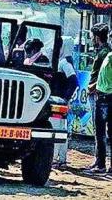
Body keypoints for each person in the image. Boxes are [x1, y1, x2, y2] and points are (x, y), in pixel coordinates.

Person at [87, 23, 111, 173]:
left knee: (101, 131)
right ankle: (99, 162)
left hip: (102, 95)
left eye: (92, 36)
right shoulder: (103, 52)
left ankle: (100, 163)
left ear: (96, 37)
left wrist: (94, 87)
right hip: (100, 93)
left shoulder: (105, 53)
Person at [52, 37, 78, 168]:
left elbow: (74, 81)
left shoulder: (64, 63)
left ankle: (56, 159)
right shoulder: (64, 61)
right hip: (60, 101)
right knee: (61, 129)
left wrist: (65, 98)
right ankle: (60, 158)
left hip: (59, 102)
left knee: (57, 129)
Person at [94, 50, 112, 175]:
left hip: (105, 98)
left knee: (101, 134)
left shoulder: (110, 56)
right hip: (105, 95)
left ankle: (101, 165)